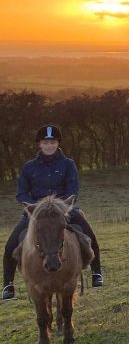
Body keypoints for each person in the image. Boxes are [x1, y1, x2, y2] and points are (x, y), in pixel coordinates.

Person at [3, 125, 104, 301]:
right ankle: (8, 285)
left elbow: (72, 188)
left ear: (58, 143)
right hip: (36, 213)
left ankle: (96, 273)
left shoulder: (68, 164)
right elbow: (21, 192)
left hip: (64, 210)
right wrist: (37, 207)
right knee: (10, 246)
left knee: (90, 236)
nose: (49, 145)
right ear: (39, 145)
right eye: (45, 142)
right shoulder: (28, 167)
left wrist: (60, 206)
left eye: (53, 142)